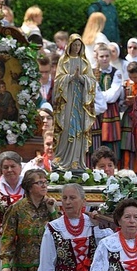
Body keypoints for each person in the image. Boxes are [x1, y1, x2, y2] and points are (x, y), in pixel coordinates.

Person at [52, 34, 108, 170]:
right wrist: (71, 78)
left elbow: (92, 82)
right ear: (70, 45)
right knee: (66, 128)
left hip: (80, 102)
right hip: (67, 101)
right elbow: (58, 81)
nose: (76, 48)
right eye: (74, 45)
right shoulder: (63, 61)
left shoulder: (84, 62)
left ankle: (76, 161)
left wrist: (82, 79)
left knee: (79, 130)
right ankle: (63, 160)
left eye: (79, 45)